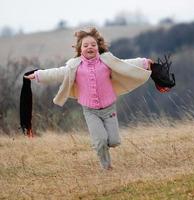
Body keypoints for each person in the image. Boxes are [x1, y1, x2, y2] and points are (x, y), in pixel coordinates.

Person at [24, 27, 153, 170]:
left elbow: (125, 63)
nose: (89, 47)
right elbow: (56, 73)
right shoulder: (75, 66)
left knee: (114, 141)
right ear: (80, 49)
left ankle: (103, 145)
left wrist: (144, 62)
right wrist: (38, 75)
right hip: (90, 110)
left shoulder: (106, 61)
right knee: (100, 140)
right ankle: (106, 166)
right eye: (86, 45)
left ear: (98, 47)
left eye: (93, 45)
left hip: (109, 107)